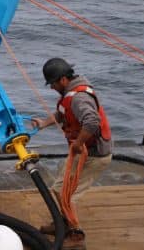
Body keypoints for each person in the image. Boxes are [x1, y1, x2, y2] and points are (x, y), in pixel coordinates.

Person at [31, 57, 112, 250]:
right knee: (59, 188)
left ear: (63, 80)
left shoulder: (79, 98)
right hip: (84, 151)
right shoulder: (70, 94)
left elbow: (92, 122)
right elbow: (62, 113)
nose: (51, 88)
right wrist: (44, 123)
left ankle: (76, 235)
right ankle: (63, 223)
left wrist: (78, 143)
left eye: (52, 83)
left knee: (66, 194)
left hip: (94, 155)